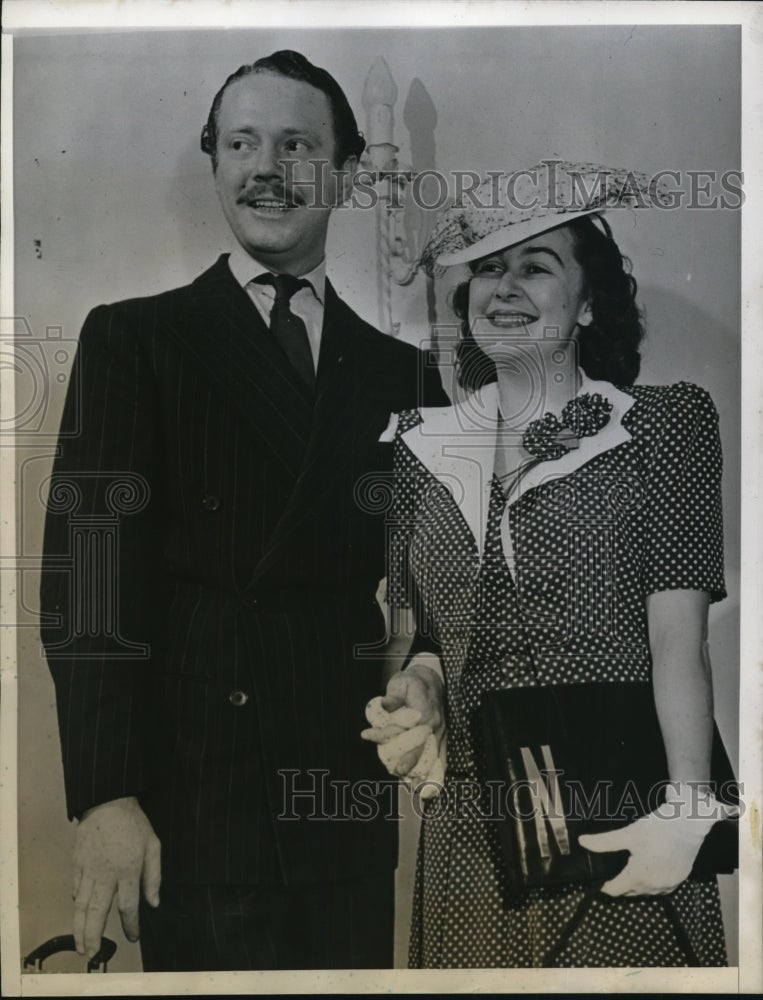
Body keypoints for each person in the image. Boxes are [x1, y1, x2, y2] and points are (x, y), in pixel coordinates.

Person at [39, 50, 448, 972]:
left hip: (341, 793)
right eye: (240, 143)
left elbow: (433, 582)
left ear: (345, 173)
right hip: (192, 800)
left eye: (298, 145)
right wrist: (106, 796)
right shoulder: (136, 337)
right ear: (216, 163)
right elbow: (89, 585)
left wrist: (423, 668)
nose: (265, 168)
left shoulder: (403, 374)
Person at [363, 161, 735, 967]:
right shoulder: (418, 450)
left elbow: (678, 643)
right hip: (469, 823)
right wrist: (419, 688)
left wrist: (688, 808)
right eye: (487, 270)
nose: (504, 287)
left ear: (587, 302)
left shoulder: (659, 427)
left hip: (614, 809)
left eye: (536, 266)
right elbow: (423, 634)